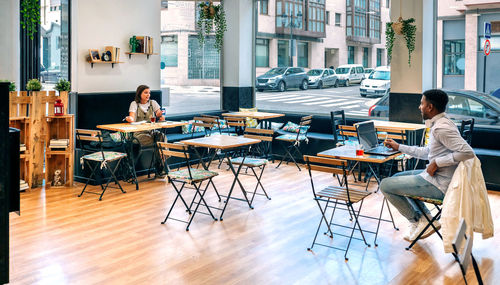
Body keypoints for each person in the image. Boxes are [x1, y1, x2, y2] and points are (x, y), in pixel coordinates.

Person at [380, 89, 474, 242]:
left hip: (440, 185)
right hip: (434, 177)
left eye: (422, 103)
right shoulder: (440, 123)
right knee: (397, 178)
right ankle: (425, 218)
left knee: (385, 185)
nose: (419, 107)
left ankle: (416, 220)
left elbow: (468, 153)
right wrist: (399, 147)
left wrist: (438, 162)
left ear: (430, 107)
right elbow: (427, 153)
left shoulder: (442, 128)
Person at [126, 85, 166, 176]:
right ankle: (161, 166)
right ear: (139, 93)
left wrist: (161, 116)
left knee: (162, 137)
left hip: (151, 131)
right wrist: (130, 119)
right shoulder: (134, 104)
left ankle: (161, 164)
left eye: (149, 93)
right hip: (138, 134)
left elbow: (159, 114)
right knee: (157, 142)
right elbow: (132, 118)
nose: (148, 95)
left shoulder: (153, 103)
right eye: (145, 92)